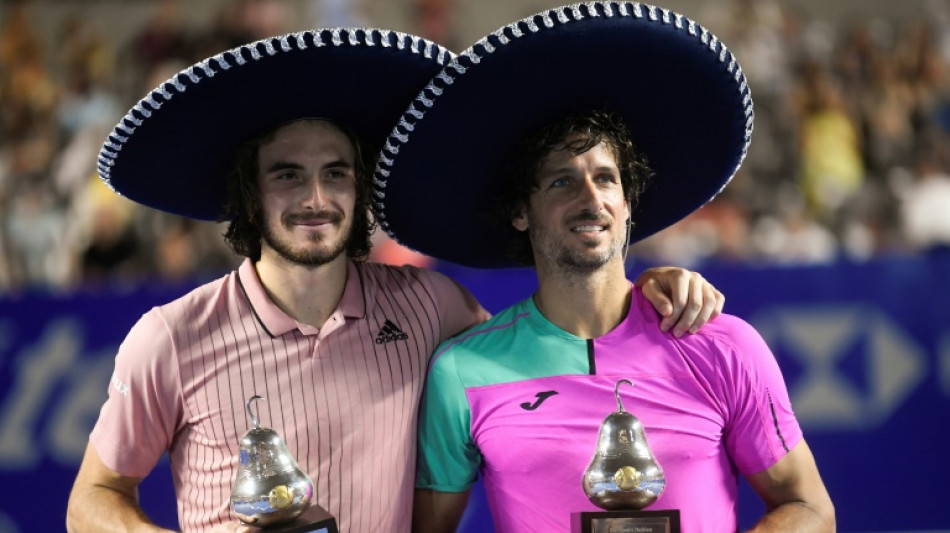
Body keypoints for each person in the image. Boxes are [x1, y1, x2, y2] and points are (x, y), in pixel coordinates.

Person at [65, 27, 726, 533]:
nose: (315, 197)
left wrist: (644, 286)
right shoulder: (171, 336)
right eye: (287, 174)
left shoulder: (431, 308)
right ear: (247, 196)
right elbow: (91, 500)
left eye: (337, 173)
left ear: (360, 191)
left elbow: (555, 339)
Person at [368, 4, 835, 532]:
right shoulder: (463, 371)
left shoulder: (722, 345)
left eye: (607, 179)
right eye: (562, 181)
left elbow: (810, 508)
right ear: (521, 212)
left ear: (628, 202)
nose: (591, 199)